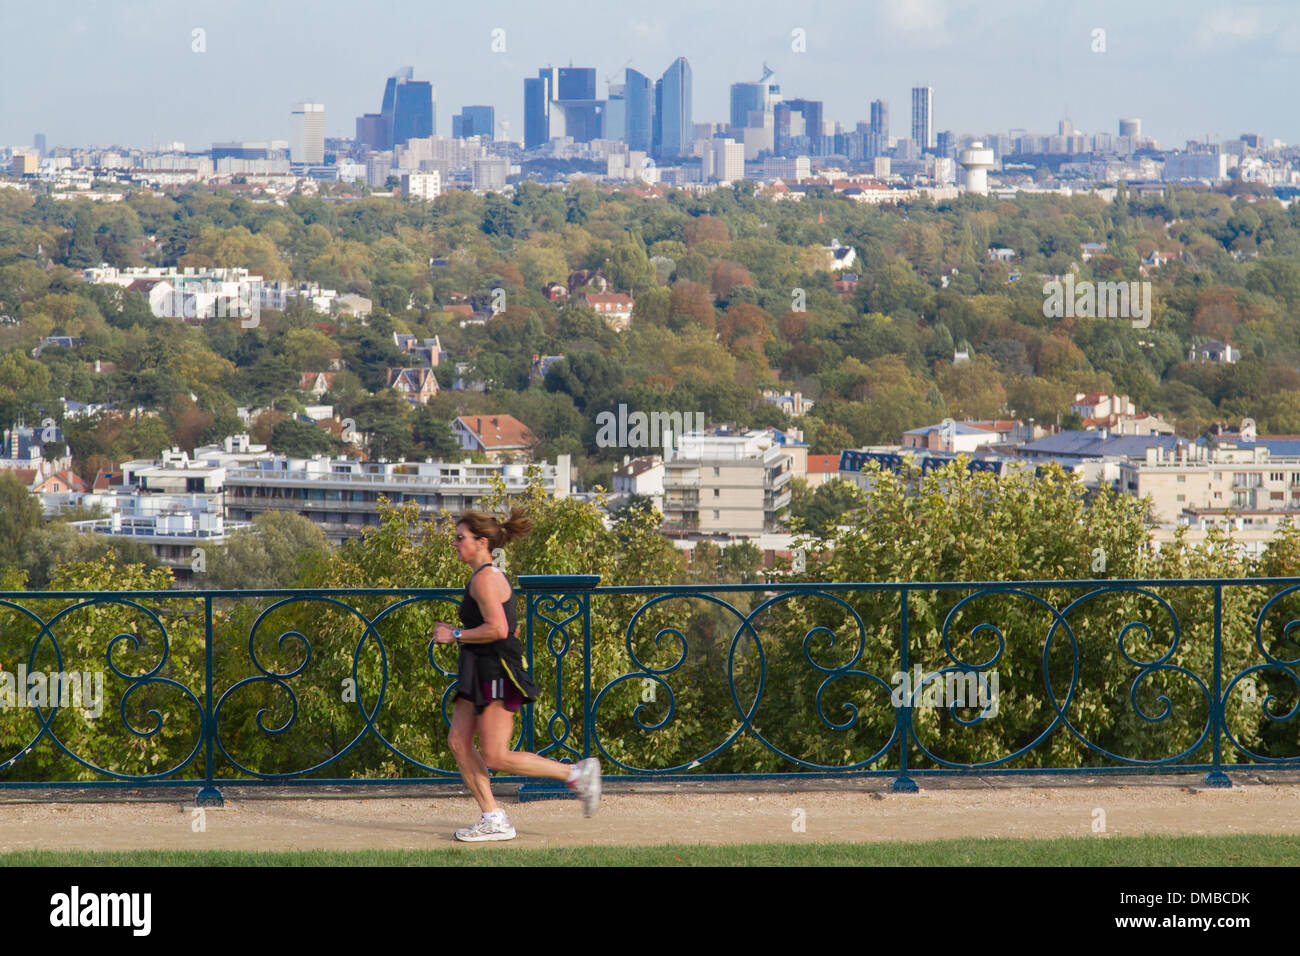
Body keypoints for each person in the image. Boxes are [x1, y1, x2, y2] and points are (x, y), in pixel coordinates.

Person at [432, 506, 601, 842]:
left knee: (495, 754)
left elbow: (498, 628)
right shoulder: (481, 576)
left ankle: (577, 774)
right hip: (477, 668)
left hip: (495, 671)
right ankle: (493, 817)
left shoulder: (486, 579)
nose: (455, 543)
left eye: (460, 537)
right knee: (458, 742)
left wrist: (457, 635)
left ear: (481, 542)